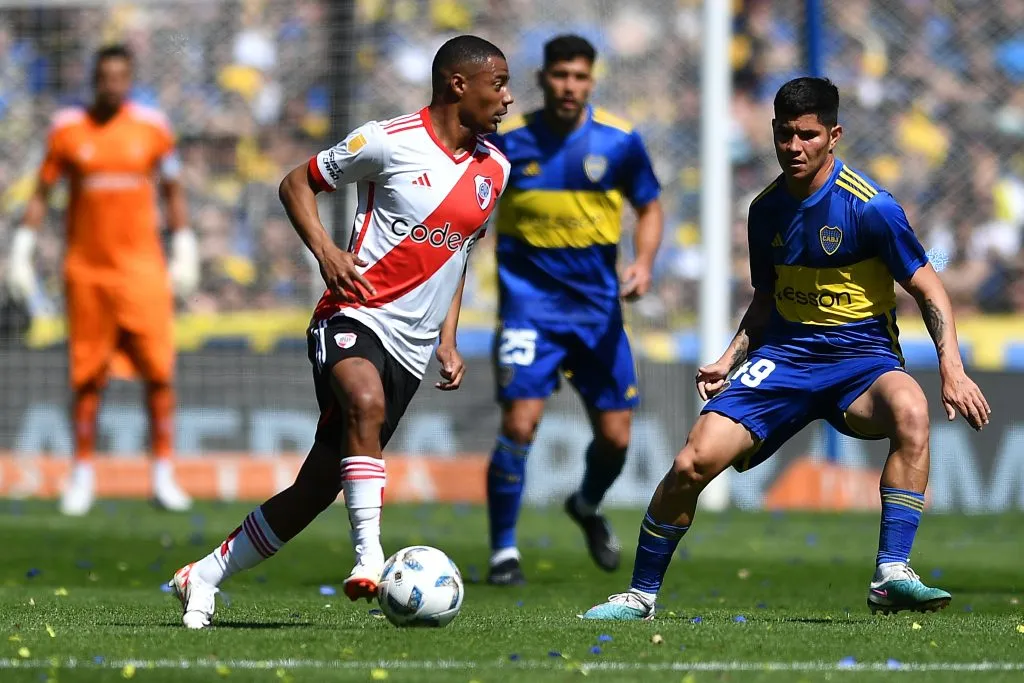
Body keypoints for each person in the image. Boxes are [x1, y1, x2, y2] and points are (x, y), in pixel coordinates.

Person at [582, 77, 990, 620]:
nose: (793, 148)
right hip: (789, 357)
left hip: (862, 362)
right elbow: (768, 298)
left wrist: (952, 370)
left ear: (834, 135)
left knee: (911, 410)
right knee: (690, 463)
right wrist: (730, 358)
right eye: (783, 135)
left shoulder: (872, 209)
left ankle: (892, 573)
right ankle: (640, 596)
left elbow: (929, 287)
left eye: (807, 136)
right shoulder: (765, 210)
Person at [168, 35, 513, 629]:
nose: (508, 98)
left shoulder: (495, 169)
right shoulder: (387, 139)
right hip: (353, 314)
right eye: (499, 84)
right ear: (459, 84)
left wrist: (448, 339)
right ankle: (370, 556)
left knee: (315, 487)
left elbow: (457, 257)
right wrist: (326, 251)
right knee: (364, 399)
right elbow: (294, 183)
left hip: (412, 348)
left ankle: (203, 575)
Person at [484, 34, 663, 585]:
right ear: (541, 79)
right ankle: (503, 553)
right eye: (560, 75)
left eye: (579, 77)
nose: (569, 86)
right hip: (528, 310)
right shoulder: (506, 142)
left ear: (591, 80)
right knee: (520, 422)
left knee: (616, 439)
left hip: (597, 313)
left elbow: (649, 206)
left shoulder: (618, 140)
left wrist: (644, 261)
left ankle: (585, 505)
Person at [5, 45, 199, 516]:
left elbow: (172, 190)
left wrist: (184, 244)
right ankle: (83, 472)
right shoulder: (68, 130)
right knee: (87, 374)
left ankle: (163, 472)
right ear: (95, 78)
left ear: (129, 80)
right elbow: (42, 191)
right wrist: (23, 247)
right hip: (86, 270)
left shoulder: (153, 128)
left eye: (121, 77)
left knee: (159, 370)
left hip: (142, 269)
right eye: (105, 76)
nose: (113, 84)